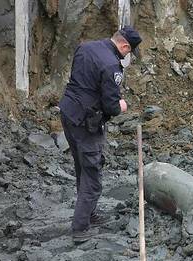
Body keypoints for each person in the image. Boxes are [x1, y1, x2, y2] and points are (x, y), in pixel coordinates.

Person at [59, 26, 142, 243]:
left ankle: (89, 213)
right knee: (93, 175)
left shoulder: (85, 47)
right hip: (87, 123)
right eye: (129, 52)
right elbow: (111, 106)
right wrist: (122, 105)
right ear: (124, 45)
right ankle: (80, 228)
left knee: (82, 166)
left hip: (68, 113)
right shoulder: (111, 65)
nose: (127, 56)